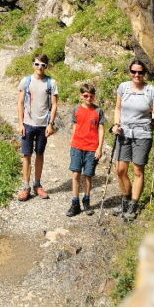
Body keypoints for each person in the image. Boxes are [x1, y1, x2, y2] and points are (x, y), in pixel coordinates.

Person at [111, 59, 154, 221]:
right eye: (134, 71)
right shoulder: (123, 87)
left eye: (140, 72)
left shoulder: (152, 91)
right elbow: (118, 108)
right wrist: (115, 124)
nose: (137, 75)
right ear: (130, 72)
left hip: (143, 133)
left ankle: (133, 204)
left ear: (144, 73)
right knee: (120, 170)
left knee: (138, 171)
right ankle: (125, 199)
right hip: (124, 132)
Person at [16, 53, 58, 201]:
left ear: (47, 66)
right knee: (26, 155)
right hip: (28, 124)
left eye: (43, 65)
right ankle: (26, 187)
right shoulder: (26, 81)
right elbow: (20, 103)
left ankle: (37, 184)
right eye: (37, 64)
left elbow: (54, 105)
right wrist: (21, 124)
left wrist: (51, 124)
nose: (40, 67)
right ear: (33, 64)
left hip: (43, 126)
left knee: (39, 154)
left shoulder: (51, 83)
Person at [66, 83, 105, 217]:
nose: (88, 98)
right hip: (77, 146)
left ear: (94, 96)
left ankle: (86, 201)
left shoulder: (98, 111)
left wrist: (99, 147)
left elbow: (101, 129)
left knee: (88, 175)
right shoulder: (76, 109)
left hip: (92, 148)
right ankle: (75, 203)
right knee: (75, 174)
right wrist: (72, 141)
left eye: (91, 96)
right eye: (85, 96)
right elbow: (75, 126)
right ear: (81, 96)